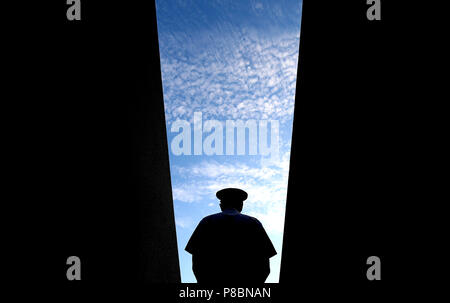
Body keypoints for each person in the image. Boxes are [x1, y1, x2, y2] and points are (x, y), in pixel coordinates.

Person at [185, 188, 277, 284]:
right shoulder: (254, 223)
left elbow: (196, 260)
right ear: (241, 205)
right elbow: (264, 262)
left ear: (221, 205)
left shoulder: (207, 221)